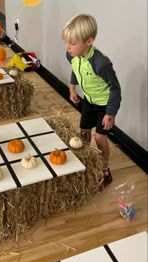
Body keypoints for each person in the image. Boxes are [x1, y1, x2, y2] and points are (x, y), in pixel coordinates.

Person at [62, 14, 121, 190]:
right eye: (67, 42)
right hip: (88, 101)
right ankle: (86, 164)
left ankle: (105, 171)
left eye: (72, 43)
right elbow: (75, 69)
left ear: (88, 41)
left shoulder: (101, 63)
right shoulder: (71, 55)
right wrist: (72, 87)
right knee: (84, 133)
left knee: (100, 137)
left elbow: (116, 89)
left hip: (104, 105)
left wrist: (110, 113)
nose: (68, 47)